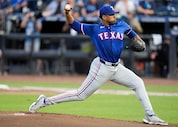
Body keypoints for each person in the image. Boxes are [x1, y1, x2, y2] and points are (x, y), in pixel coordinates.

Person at [29, 4, 168, 125]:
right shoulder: (95, 29)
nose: (114, 16)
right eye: (111, 15)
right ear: (103, 17)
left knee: (138, 83)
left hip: (117, 67)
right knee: (80, 95)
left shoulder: (122, 25)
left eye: (114, 14)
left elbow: (135, 37)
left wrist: (140, 42)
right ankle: (45, 101)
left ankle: (150, 115)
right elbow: (74, 24)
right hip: (101, 67)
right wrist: (67, 14)